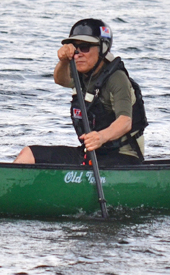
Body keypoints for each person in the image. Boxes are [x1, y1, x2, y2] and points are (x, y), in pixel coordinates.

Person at [13, 19, 147, 166]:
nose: (78, 54)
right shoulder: (81, 75)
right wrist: (64, 61)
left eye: (84, 47)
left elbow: (125, 122)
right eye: (75, 48)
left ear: (102, 48)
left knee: (86, 163)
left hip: (124, 157)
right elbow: (60, 79)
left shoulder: (117, 78)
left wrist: (101, 137)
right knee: (28, 154)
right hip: (91, 153)